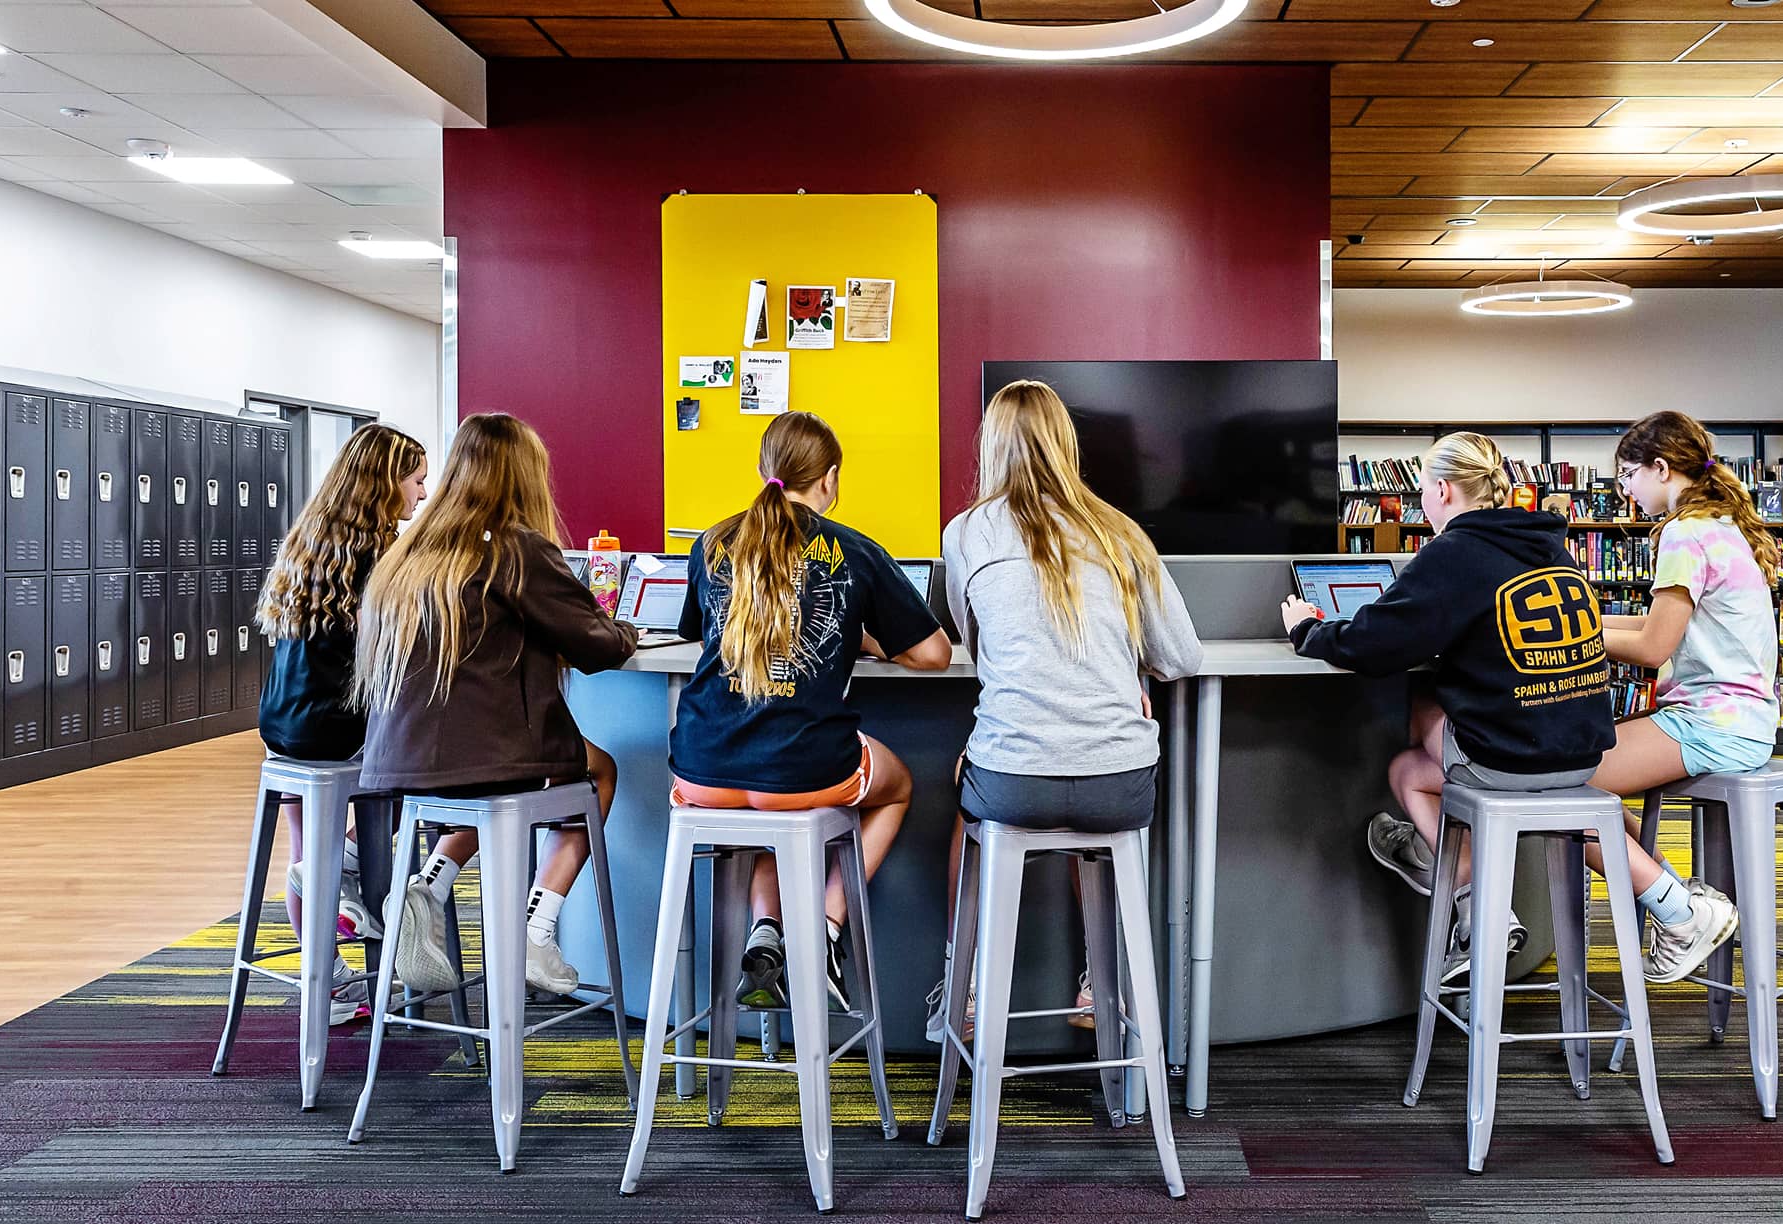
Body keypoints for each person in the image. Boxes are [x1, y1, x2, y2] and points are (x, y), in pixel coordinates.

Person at [1280, 432, 1625, 983]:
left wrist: (1309, 629)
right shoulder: (1548, 546)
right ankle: (1466, 899)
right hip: (1583, 753)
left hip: (1514, 759)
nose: (1422, 505)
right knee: (1423, 732)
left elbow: (1374, 644)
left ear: (1442, 490)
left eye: (1422, 493)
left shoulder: (1454, 552)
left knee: (1414, 763)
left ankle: (1475, 904)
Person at [931, 380, 1204, 1040]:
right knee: (1095, 837)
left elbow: (978, 643)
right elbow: (1183, 658)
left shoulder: (966, 532)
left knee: (969, 791)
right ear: (1066, 444)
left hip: (1012, 784)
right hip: (1121, 788)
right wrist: (1130, 666)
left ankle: (963, 987)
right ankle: (1096, 984)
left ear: (991, 447)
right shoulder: (1121, 532)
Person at [670, 410, 951, 1010]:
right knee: (895, 787)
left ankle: (767, 932)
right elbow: (933, 655)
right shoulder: (852, 550)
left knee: (768, 804)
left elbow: (701, 634)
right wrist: (872, 639)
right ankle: (823, 930)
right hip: (801, 772)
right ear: (829, 480)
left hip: (701, 771)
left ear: (761, 471)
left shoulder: (713, 542)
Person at [352, 412, 639, 998]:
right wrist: (624, 628)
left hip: (400, 769)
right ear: (524, 477)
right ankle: (538, 929)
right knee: (598, 769)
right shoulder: (517, 549)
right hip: (494, 762)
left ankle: (429, 888)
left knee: (486, 785)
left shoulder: (409, 554)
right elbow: (598, 648)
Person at [253, 422, 470, 1022]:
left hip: (283, 729)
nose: (423, 496)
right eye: (418, 481)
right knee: (420, 758)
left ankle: (323, 974)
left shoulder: (308, 539)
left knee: (305, 848)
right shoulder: (385, 557)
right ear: (386, 483)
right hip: (340, 734)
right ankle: (353, 866)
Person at [1575, 409, 1776, 981]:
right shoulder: (1717, 523)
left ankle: (1678, 910)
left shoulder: (1683, 533)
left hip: (1714, 723)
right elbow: (1656, 620)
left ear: (1660, 469)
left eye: (1627, 477)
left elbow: (1652, 647)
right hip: (1743, 719)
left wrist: (1567, 638)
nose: (1626, 492)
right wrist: (1582, 619)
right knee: (1577, 783)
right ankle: (1679, 902)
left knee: (1560, 785)